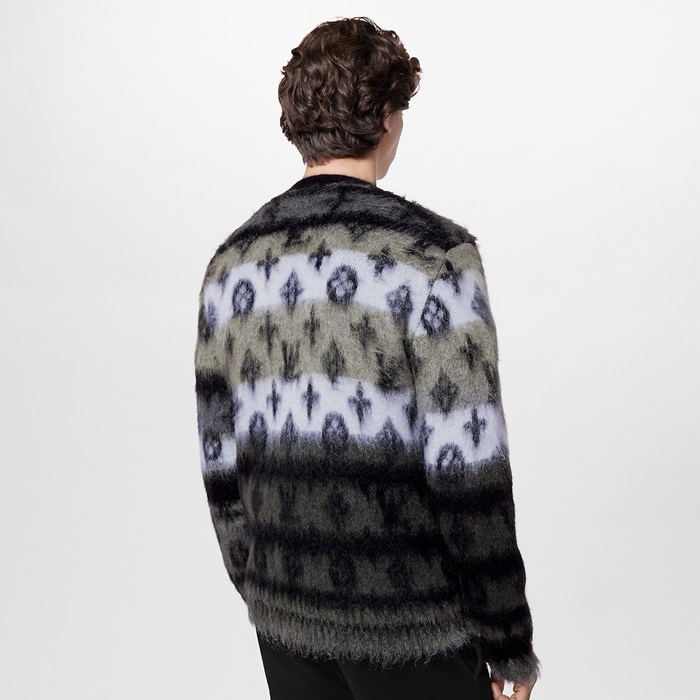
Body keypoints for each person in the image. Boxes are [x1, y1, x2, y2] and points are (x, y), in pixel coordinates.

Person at [194, 16, 540, 700]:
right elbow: (468, 472)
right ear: (387, 117)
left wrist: (263, 587)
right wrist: (507, 639)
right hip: (415, 627)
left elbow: (219, 463)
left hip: (287, 621)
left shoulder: (231, 267)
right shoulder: (433, 258)